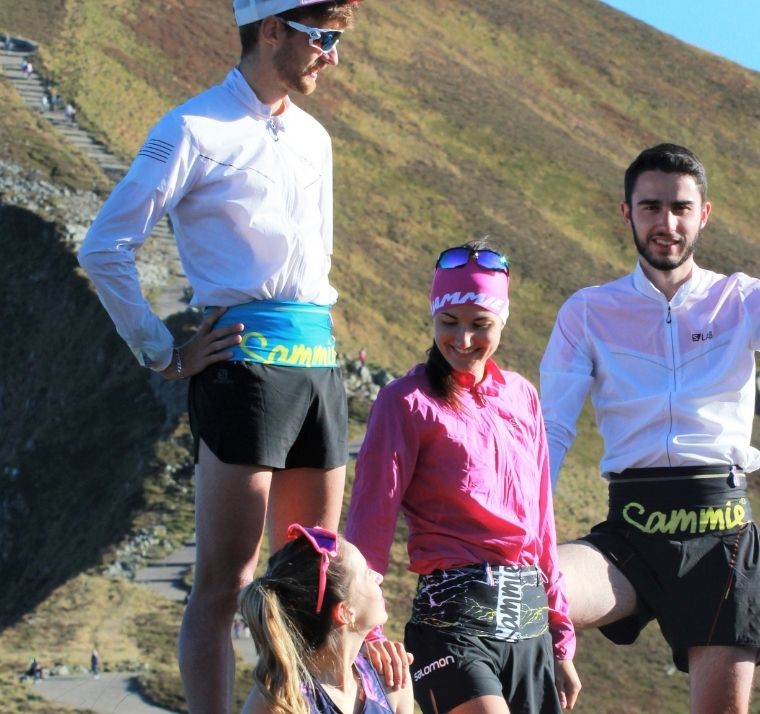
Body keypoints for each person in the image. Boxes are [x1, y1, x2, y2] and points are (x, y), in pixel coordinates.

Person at [77, 1, 362, 710]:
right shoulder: (191, 128)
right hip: (246, 364)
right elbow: (103, 246)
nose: (333, 54)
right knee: (226, 583)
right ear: (272, 30)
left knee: (316, 580)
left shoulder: (315, 138)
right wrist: (163, 352)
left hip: (317, 363)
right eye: (323, 38)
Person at [539, 143, 760, 714]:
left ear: (704, 214)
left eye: (680, 208)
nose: (666, 223)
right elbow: (550, 430)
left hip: (722, 536)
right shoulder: (587, 311)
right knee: (516, 598)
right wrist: (524, 532)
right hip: (631, 532)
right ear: (626, 213)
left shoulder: (739, 299)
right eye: (650, 208)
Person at [346, 239, 582, 713]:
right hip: (451, 630)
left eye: (481, 325)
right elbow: (370, 523)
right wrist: (365, 633)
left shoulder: (522, 397)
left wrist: (561, 639)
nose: (464, 340)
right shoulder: (405, 401)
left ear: (503, 322)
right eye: (448, 323)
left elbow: (541, 527)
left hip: (530, 629)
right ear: (432, 317)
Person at [239, 523, 413, 714]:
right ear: (345, 612)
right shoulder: (281, 701)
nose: (378, 577)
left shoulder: (391, 682)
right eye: (365, 574)